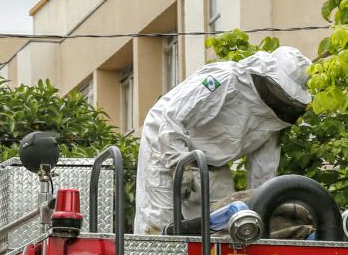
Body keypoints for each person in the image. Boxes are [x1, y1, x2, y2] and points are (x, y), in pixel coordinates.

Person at [133, 46, 312, 234]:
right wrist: (179, 163)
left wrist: (263, 207)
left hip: (214, 163)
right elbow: (171, 116)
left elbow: (263, 172)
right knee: (160, 227)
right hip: (164, 145)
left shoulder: (272, 119)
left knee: (224, 224)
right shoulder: (222, 79)